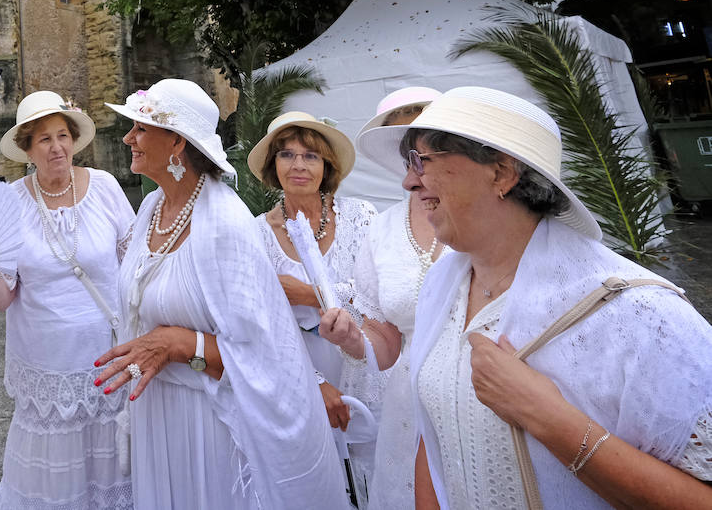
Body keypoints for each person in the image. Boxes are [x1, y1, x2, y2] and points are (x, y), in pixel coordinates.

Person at [356, 85, 712, 509]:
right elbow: (433, 442)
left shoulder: (639, 314)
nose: (409, 181)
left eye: (422, 160)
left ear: (502, 173)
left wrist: (548, 418)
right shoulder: (442, 286)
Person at [94, 80, 348, 509]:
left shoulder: (225, 223)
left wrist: (181, 344)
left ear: (176, 141)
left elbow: (265, 356)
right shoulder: (149, 210)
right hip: (160, 416)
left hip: (209, 424)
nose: (128, 138)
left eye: (140, 127)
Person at [0, 91, 134, 510]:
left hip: (108, 355)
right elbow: (3, 300)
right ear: (26, 148)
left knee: (112, 472)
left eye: (63, 135)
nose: (57, 147)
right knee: (55, 483)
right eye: (44, 139)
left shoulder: (107, 187)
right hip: (48, 365)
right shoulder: (9, 204)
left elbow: (133, 266)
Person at [318, 87, 446, 509]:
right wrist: (352, 339)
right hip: (409, 405)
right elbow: (387, 341)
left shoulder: (487, 216)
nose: (416, 154)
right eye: (404, 143)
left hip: (485, 391)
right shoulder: (385, 230)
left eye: (426, 139)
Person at [247, 109, 378, 495]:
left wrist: (307, 294)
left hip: (365, 362)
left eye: (311, 156)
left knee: (372, 474)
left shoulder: (361, 217)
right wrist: (313, 383)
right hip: (298, 371)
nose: (298, 165)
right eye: (286, 155)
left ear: (327, 165)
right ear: (274, 165)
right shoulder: (256, 234)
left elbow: (377, 292)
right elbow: (260, 325)